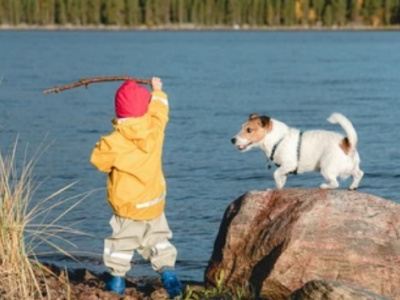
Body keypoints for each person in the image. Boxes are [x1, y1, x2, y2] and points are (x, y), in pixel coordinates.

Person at [90, 77, 183, 298]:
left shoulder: (114, 141)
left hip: (128, 207)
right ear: (145, 108)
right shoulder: (155, 129)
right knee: (158, 240)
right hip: (154, 202)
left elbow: (98, 160)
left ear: (119, 111)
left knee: (120, 245)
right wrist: (158, 91)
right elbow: (160, 112)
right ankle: (169, 277)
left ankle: (117, 282)